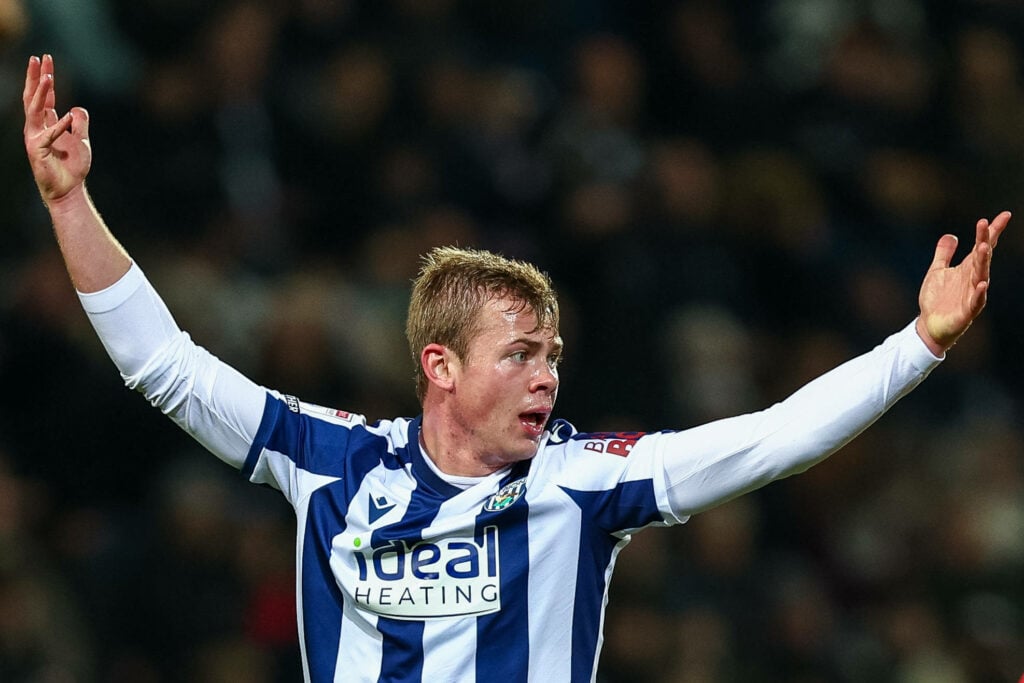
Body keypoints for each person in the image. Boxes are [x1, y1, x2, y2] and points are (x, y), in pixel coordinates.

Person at [22, 53, 1011, 682]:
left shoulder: (584, 479)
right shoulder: (328, 459)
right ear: (439, 364)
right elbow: (166, 367)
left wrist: (916, 343)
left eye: (552, 355)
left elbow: (770, 440)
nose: (546, 377)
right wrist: (69, 204)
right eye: (519, 354)